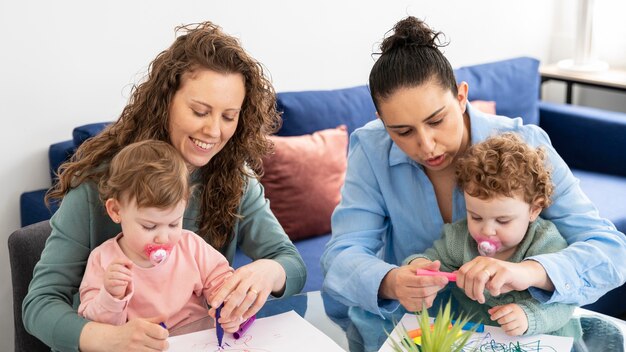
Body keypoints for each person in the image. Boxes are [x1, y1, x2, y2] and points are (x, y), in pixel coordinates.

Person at [321, 16, 625, 349]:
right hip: (412, 334)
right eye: (402, 131)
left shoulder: (524, 143)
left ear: (462, 96)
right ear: (382, 122)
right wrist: (392, 282)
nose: (426, 145)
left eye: (437, 120)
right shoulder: (371, 148)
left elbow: (611, 251)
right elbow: (342, 256)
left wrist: (531, 272)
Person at [23, 21, 306, 351]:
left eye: (229, 116)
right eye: (200, 111)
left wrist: (268, 272)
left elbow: (291, 264)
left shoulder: (233, 177)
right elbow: (40, 304)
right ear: (166, 100)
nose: (214, 131)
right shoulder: (102, 184)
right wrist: (108, 338)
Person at [405, 133, 579, 337]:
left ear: (534, 209)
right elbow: (429, 261)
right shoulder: (458, 240)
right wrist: (417, 267)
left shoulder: (545, 243)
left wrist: (528, 316)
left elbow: (565, 303)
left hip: (542, 342)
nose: (486, 231)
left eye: (503, 221)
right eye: (476, 217)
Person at [78, 140, 243, 333]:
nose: (164, 238)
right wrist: (110, 296)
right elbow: (96, 327)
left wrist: (229, 308)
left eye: (174, 224)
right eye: (149, 226)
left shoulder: (191, 246)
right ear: (116, 210)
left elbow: (222, 283)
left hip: (197, 340)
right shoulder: (103, 260)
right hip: (143, 344)